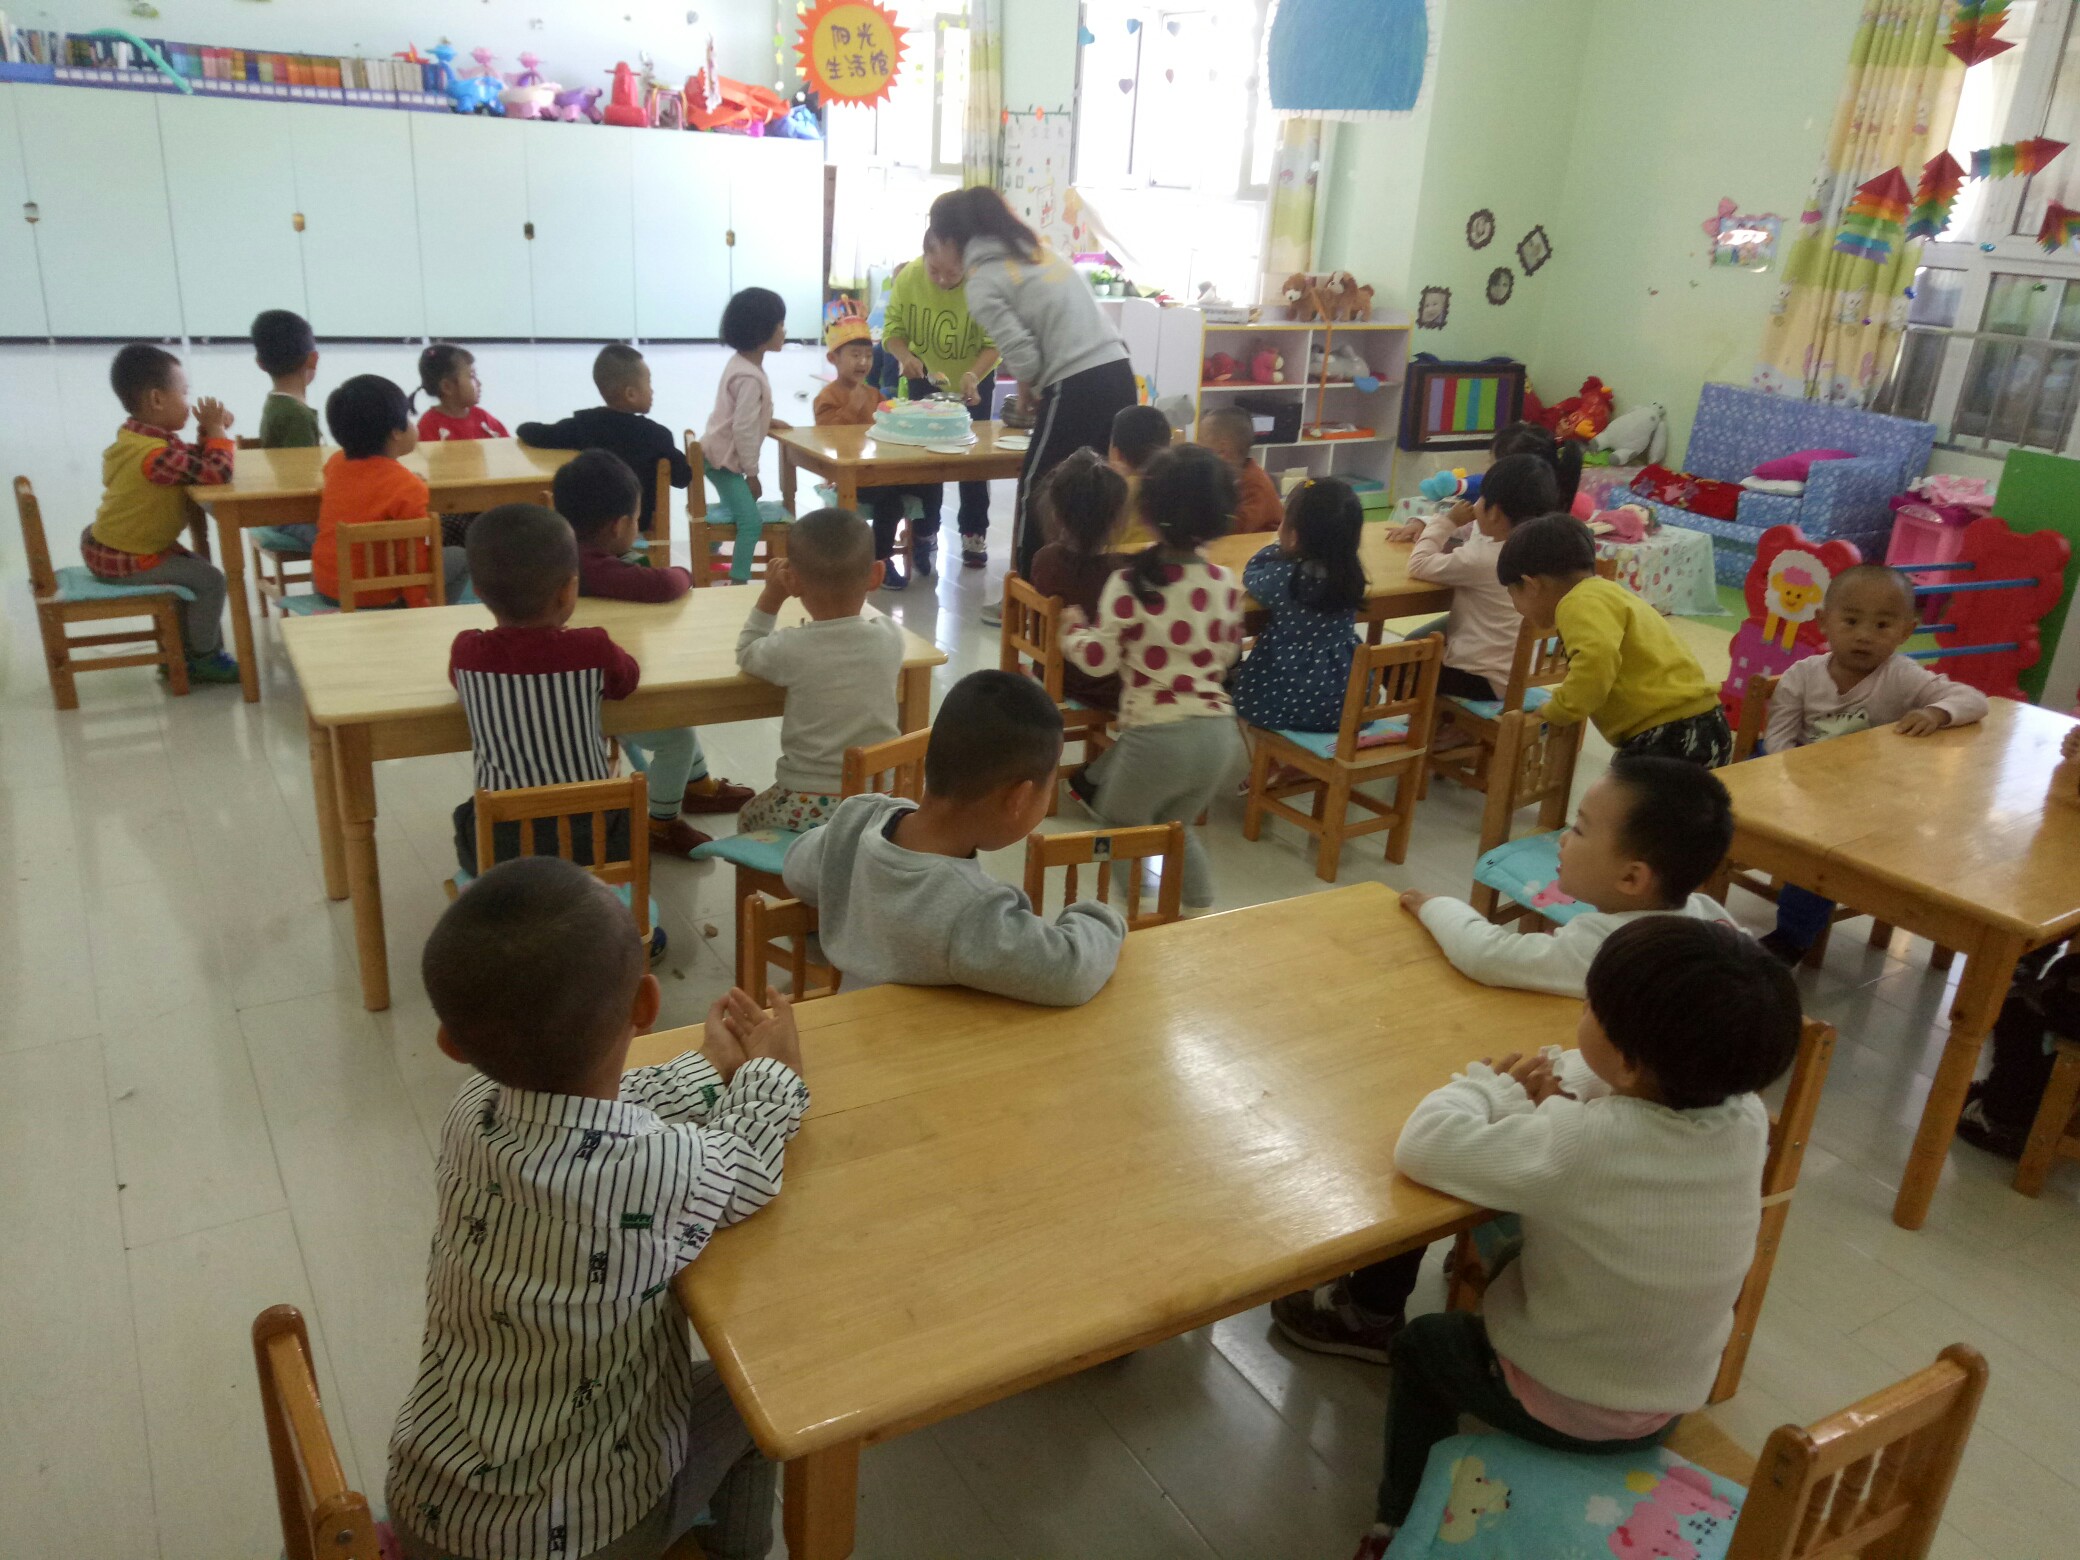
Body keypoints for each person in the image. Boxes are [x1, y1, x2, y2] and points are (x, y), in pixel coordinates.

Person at [1336, 918, 1802, 1558]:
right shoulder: (1743, 1116)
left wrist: (1492, 1089)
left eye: (1589, 1008)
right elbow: (1611, 1096)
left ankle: (1395, 1522)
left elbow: (1424, 1146)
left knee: (1424, 1345)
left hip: (1571, 1407)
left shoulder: (1580, 1144)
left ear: (1630, 1063)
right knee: (1530, 1233)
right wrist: (1561, 1090)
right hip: (1670, 1396)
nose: (1581, 1015)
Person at [387, 854, 808, 1560]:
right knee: (760, 1398)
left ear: (452, 1045)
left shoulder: (471, 1110)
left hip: (431, 1508)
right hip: (581, 1535)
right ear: (646, 1005)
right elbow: (749, 1162)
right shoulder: (654, 1170)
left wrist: (707, 1070)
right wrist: (773, 1073)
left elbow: (598, 1112)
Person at [782, 669, 1128, 1004]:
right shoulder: (970, 911)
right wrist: (1100, 916)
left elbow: (796, 871)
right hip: (919, 1043)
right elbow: (1069, 971)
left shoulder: (856, 820)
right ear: (1019, 799)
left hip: (848, 1023)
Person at [1758, 563, 1989, 965]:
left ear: (1906, 631)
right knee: (1737, 790)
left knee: (1825, 855)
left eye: (1882, 625)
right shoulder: (1803, 675)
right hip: (1796, 781)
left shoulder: (1902, 676)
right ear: (1824, 621)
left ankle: (1792, 937)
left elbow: (1974, 700)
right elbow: (1778, 739)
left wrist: (1935, 712)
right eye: (1850, 621)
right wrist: (1794, 788)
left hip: (1863, 798)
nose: (1864, 635)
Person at [927, 186, 1136, 616]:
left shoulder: (983, 280)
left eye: (936, 243)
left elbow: (1024, 357)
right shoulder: (1037, 252)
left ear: (950, 240)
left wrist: (1031, 388)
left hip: (1076, 381)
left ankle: (1025, 600)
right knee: (1095, 490)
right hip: (1117, 370)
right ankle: (1086, 593)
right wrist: (1032, 384)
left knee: (1039, 490)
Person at [447, 505, 679, 885]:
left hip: (503, 847)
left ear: (478, 591)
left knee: (466, 815)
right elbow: (627, 680)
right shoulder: (592, 647)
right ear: (569, 589)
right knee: (627, 816)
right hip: (595, 840)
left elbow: (459, 683)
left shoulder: (467, 651)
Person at [1060, 445, 1247, 911]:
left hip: (1158, 737)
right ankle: (1200, 915)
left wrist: (1072, 633)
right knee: (1177, 831)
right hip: (1218, 735)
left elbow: (1099, 660)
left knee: (1119, 826)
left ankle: (1136, 921)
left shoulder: (1129, 583)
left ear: (1144, 513)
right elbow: (1227, 656)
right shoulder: (1226, 583)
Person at [1399, 754, 1738, 996]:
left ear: (1632, 879)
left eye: (1578, 829)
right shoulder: (1708, 912)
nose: (1562, 838)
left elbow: (1484, 955)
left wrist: (1434, 905)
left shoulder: (1611, 949)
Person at [552, 448, 756, 842]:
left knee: (673, 711)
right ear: (619, 526)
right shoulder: (594, 565)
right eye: (636, 519)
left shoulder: (559, 553)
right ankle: (661, 824)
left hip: (582, 684)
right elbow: (663, 585)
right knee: (676, 736)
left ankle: (696, 785)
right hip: (597, 698)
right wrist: (685, 572)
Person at [1498, 514, 1732, 766]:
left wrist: (1558, 709)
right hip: (1704, 721)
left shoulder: (1577, 603)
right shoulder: (1606, 592)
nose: (1516, 607)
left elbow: (1595, 663)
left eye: (1512, 595)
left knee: (1618, 792)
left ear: (1531, 585)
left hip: (1669, 732)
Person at [734, 508, 906, 834]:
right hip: (882, 802)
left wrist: (772, 594)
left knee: (748, 817)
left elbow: (746, 651)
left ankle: (798, 865)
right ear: (876, 575)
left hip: (807, 802)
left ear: (793, 582)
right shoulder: (890, 636)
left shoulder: (791, 647)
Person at [81, 343, 240, 683]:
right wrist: (217, 434)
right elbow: (217, 473)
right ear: (156, 399)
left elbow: (192, 462)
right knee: (211, 581)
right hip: (126, 556)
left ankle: (179, 651)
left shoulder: (138, 437)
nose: (188, 401)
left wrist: (211, 432)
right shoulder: (155, 455)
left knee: (195, 569)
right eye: (184, 393)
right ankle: (203, 657)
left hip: (113, 543)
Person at [881, 232, 1002, 568]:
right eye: (935, 271)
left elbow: (994, 343)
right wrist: (905, 356)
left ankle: (974, 532)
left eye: (953, 272)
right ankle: (925, 532)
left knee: (974, 458)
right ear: (924, 257)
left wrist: (973, 375)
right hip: (925, 375)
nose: (943, 280)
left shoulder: (983, 283)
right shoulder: (909, 278)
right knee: (927, 458)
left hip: (974, 378)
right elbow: (892, 330)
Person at [1409, 453, 1562, 702]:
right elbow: (1475, 540)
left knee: (1398, 667)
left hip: (1480, 679)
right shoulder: (1544, 549)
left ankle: (1436, 719)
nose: (1475, 504)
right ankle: (1439, 717)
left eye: (1481, 498)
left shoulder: (1484, 558)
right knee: (1419, 640)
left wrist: (1446, 522)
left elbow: (1418, 564)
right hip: (1517, 673)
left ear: (1495, 512)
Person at [315, 375, 467, 609]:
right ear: (396, 431)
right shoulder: (408, 488)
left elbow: (367, 480)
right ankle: (433, 618)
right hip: (380, 597)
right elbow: (412, 558)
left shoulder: (335, 464)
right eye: (407, 416)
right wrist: (418, 605)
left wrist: (404, 479)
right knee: (460, 556)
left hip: (328, 588)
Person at [1230, 477, 1367, 733]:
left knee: (1242, 695)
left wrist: (1275, 549)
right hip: (1346, 697)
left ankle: (1273, 751)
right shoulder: (1352, 575)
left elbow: (1252, 573)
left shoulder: (1284, 577)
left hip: (1290, 692)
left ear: (1293, 537)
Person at [813, 315, 942, 588]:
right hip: (852, 475)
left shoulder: (874, 394)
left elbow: (890, 424)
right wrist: (852, 407)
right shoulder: (827, 397)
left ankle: (923, 537)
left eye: (868, 356)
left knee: (931, 481)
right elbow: (828, 439)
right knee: (890, 501)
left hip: (883, 469)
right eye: (855, 355)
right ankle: (879, 560)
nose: (863, 362)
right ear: (833, 358)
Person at [518, 343, 692, 540]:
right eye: (649, 383)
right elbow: (682, 478)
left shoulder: (582, 425)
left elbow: (532, 432)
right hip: (636, 527)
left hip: (588, 529)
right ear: (631, 394)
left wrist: (523, 428)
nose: (652, 391)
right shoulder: (657, 435)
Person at [1028, 448, 1130, 716]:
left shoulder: (1045, 559)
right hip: (1105, 688)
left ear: (1056, 514)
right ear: (1115, 520)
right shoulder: (1120, 574)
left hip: (1051, 673)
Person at [1386, 420, 1586, 544]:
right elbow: (1467, 526)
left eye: (1493, 464)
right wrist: (1424, 523)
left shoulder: (1523, 533)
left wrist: (1437, 529)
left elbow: (1423, 566)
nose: (1487, 470)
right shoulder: (1509, 512)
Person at [1197, 405, 1284, 534]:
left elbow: (1237, 527)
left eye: (1201, 439)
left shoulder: (1255, 484)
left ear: (1222, 449)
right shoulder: (1224, 475)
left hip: (1259, 544)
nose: (1197, 445)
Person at [251, 308, 321, 449]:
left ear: (260, 363)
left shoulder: (274, 404)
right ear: (313, 359)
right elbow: (304, 463)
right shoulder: (297, 416)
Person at [413, 342, 509, 443]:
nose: (479, 383)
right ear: (447, 387)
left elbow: (507, 447)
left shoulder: (483, 418)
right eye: (472, 376)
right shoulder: (429, 425)